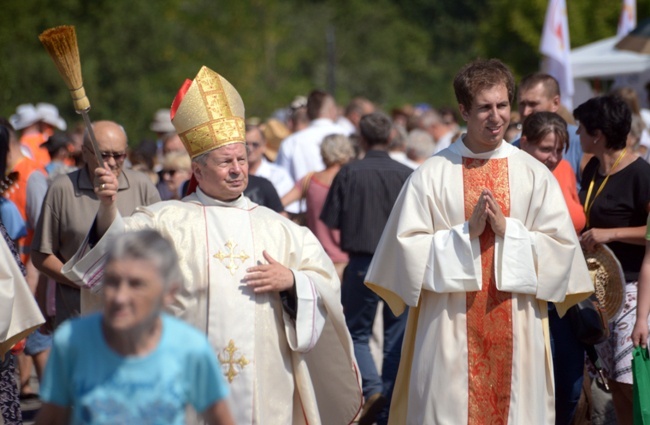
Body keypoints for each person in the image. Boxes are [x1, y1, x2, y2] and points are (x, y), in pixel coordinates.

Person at [61, 66, 362, 424]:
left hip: (267, 389)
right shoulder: (165, 221)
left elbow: (325, 284)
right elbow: (112, 259)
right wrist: (109, 206)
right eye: (225, 162)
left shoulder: (281, 229)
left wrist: (293, 282)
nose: (237, 169)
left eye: (241, 160)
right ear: (198, 170)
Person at [364, 59, 593, 424]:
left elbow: (562, 250)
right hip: (449, 333)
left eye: (502, 105)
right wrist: (464, 236)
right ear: (463, 110)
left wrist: (509, 232)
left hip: (518, 329)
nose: (496, 116)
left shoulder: (534, 174)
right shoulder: (432, 175)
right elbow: (403, 251)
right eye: (485, 107)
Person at [36, 230, 234, 425]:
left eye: (136, 284)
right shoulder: (72, 341)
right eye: (112, 282)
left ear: (169, 292)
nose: (120, 297)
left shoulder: (190, 349)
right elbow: (51, 418)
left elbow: (220, 418)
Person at [321, 112, 413, 425]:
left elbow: (330, 218)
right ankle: (387, 401)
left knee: (357, 333)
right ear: (390, 138)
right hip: (398, 264)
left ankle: (374, 388)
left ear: (360, 139)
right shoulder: (406, 173)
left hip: (361, 260)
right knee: (394, 337)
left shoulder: (349, 173)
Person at [31, 120, 161, 327]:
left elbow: (162, 245)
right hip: (78, 318)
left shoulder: (142, 186)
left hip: (133, 320)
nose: (110, 162)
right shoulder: (62, 189)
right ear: (84, 152)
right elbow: (41, 254)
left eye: (118, 155)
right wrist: (81, 280)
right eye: (103, 155)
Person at [574, 94, 650, 425]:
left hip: (633, 291)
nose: (577, 135)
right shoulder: (591, 167)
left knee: (631, 381)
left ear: (598, 134)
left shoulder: (640, 174)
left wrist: (611, 233)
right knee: (612, 382)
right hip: (600, 292)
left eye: (581, 129)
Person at [520, 111, 586, 424]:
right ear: (524, 143)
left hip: (563, 299)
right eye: (546, 149)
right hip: (527, 298)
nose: (554, 157)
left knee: (570, 386)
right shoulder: (511, 176)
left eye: (560, 150)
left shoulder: (564, 171)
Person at [281, 133, 355, 280]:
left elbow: (280, 204)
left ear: (323, 152)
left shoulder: (310, 180)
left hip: (317, 258)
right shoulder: (352, 180)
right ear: (348, 152)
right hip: (349, 258)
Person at [516, 73, 584, 189]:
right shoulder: (513, 146)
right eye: (522, 104)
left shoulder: (581, 140)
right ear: (524, 143)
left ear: (555, 103)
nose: (525, 112)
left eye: (533, 104)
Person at [276, 89, 349, 183]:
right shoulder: (347, 134)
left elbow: (281, 181)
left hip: (301, 195)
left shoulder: (291, 142)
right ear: (332, 110)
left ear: (308, 112)